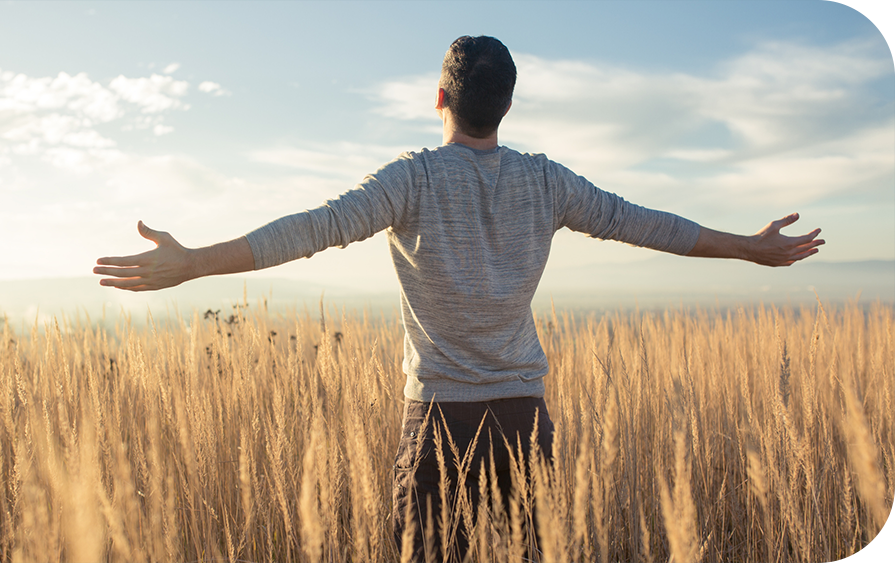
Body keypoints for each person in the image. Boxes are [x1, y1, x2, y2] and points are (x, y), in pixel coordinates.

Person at [94, 36, 824, 562]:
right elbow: (649, 225)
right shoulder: (547, 182)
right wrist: (750, 246)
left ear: (440, 98)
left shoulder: (410, 180)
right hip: (523, 422)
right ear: (505, 106)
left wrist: (194, 262)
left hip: (439, 424)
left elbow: (309, 230)